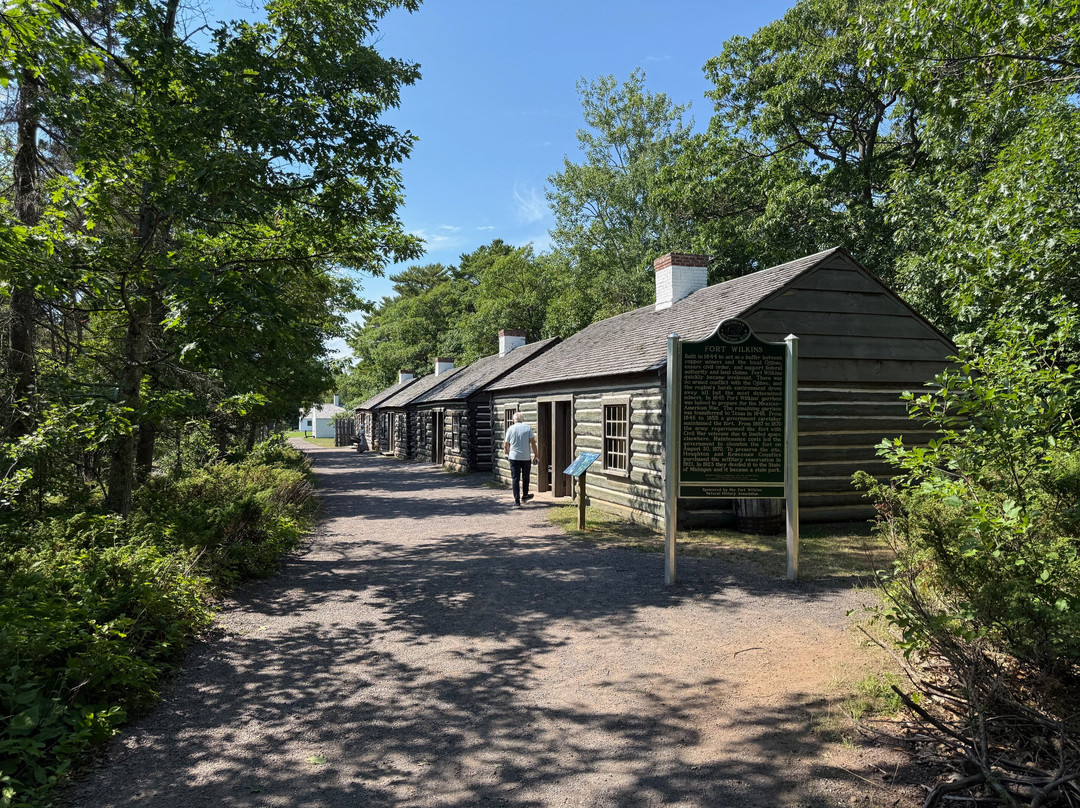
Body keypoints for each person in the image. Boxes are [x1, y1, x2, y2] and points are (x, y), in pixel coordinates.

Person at [503, 412, 539, 507]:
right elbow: (533, 443)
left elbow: (506, 445)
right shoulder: (527, 428)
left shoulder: (510, 429)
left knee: (515, 478)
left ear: (513, 420)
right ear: (522, 420)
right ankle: (525, 495)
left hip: (514, 457)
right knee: (526, 477)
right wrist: (536, 455)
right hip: (526, 457)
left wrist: (508, 454)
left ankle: (517, 502)